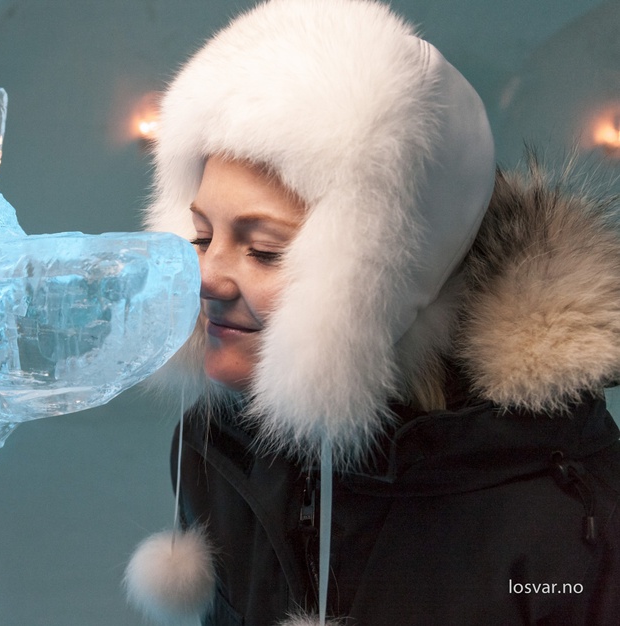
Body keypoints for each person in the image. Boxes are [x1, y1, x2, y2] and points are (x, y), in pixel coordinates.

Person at [122, 0, 620, 624]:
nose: (205, 276)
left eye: (265, 250)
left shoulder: (561, 506)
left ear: (384, 278)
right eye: (200, 235)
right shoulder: (214, 445)